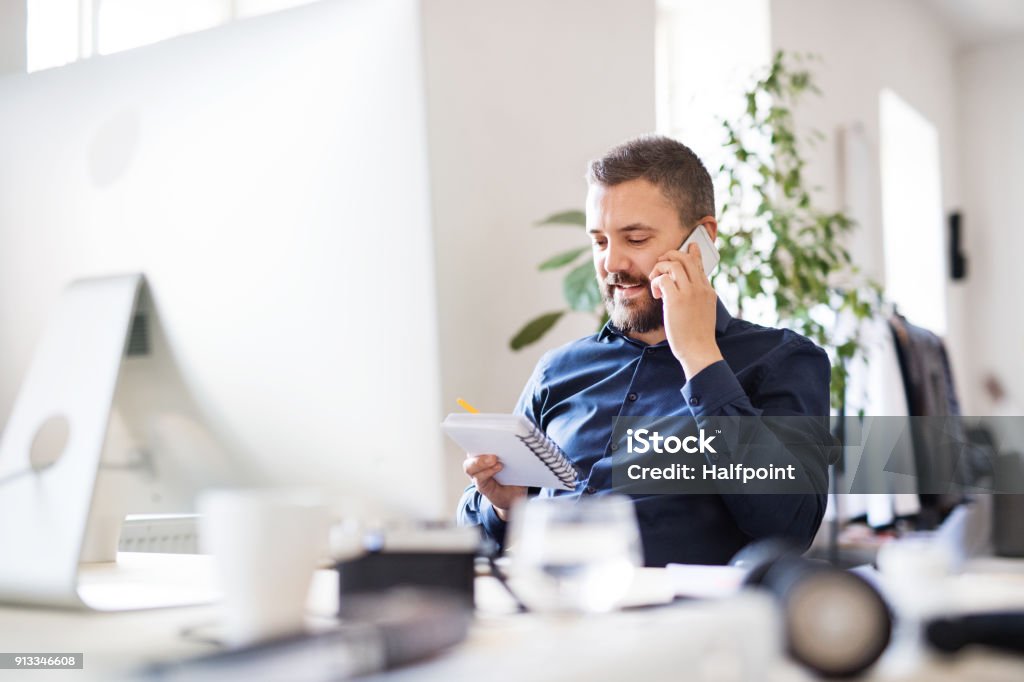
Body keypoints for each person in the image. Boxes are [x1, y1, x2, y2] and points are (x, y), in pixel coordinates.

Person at [457, 135, 831, 566]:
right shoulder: (557, 371)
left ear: (702, 240)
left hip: (675, 623)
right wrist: (505, 506)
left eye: (635, 239)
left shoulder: (781, 360)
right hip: (544, 612)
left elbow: (790, 527)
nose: (611, 264)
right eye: (600, 241)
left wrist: (699, 357)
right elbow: (469, 541)